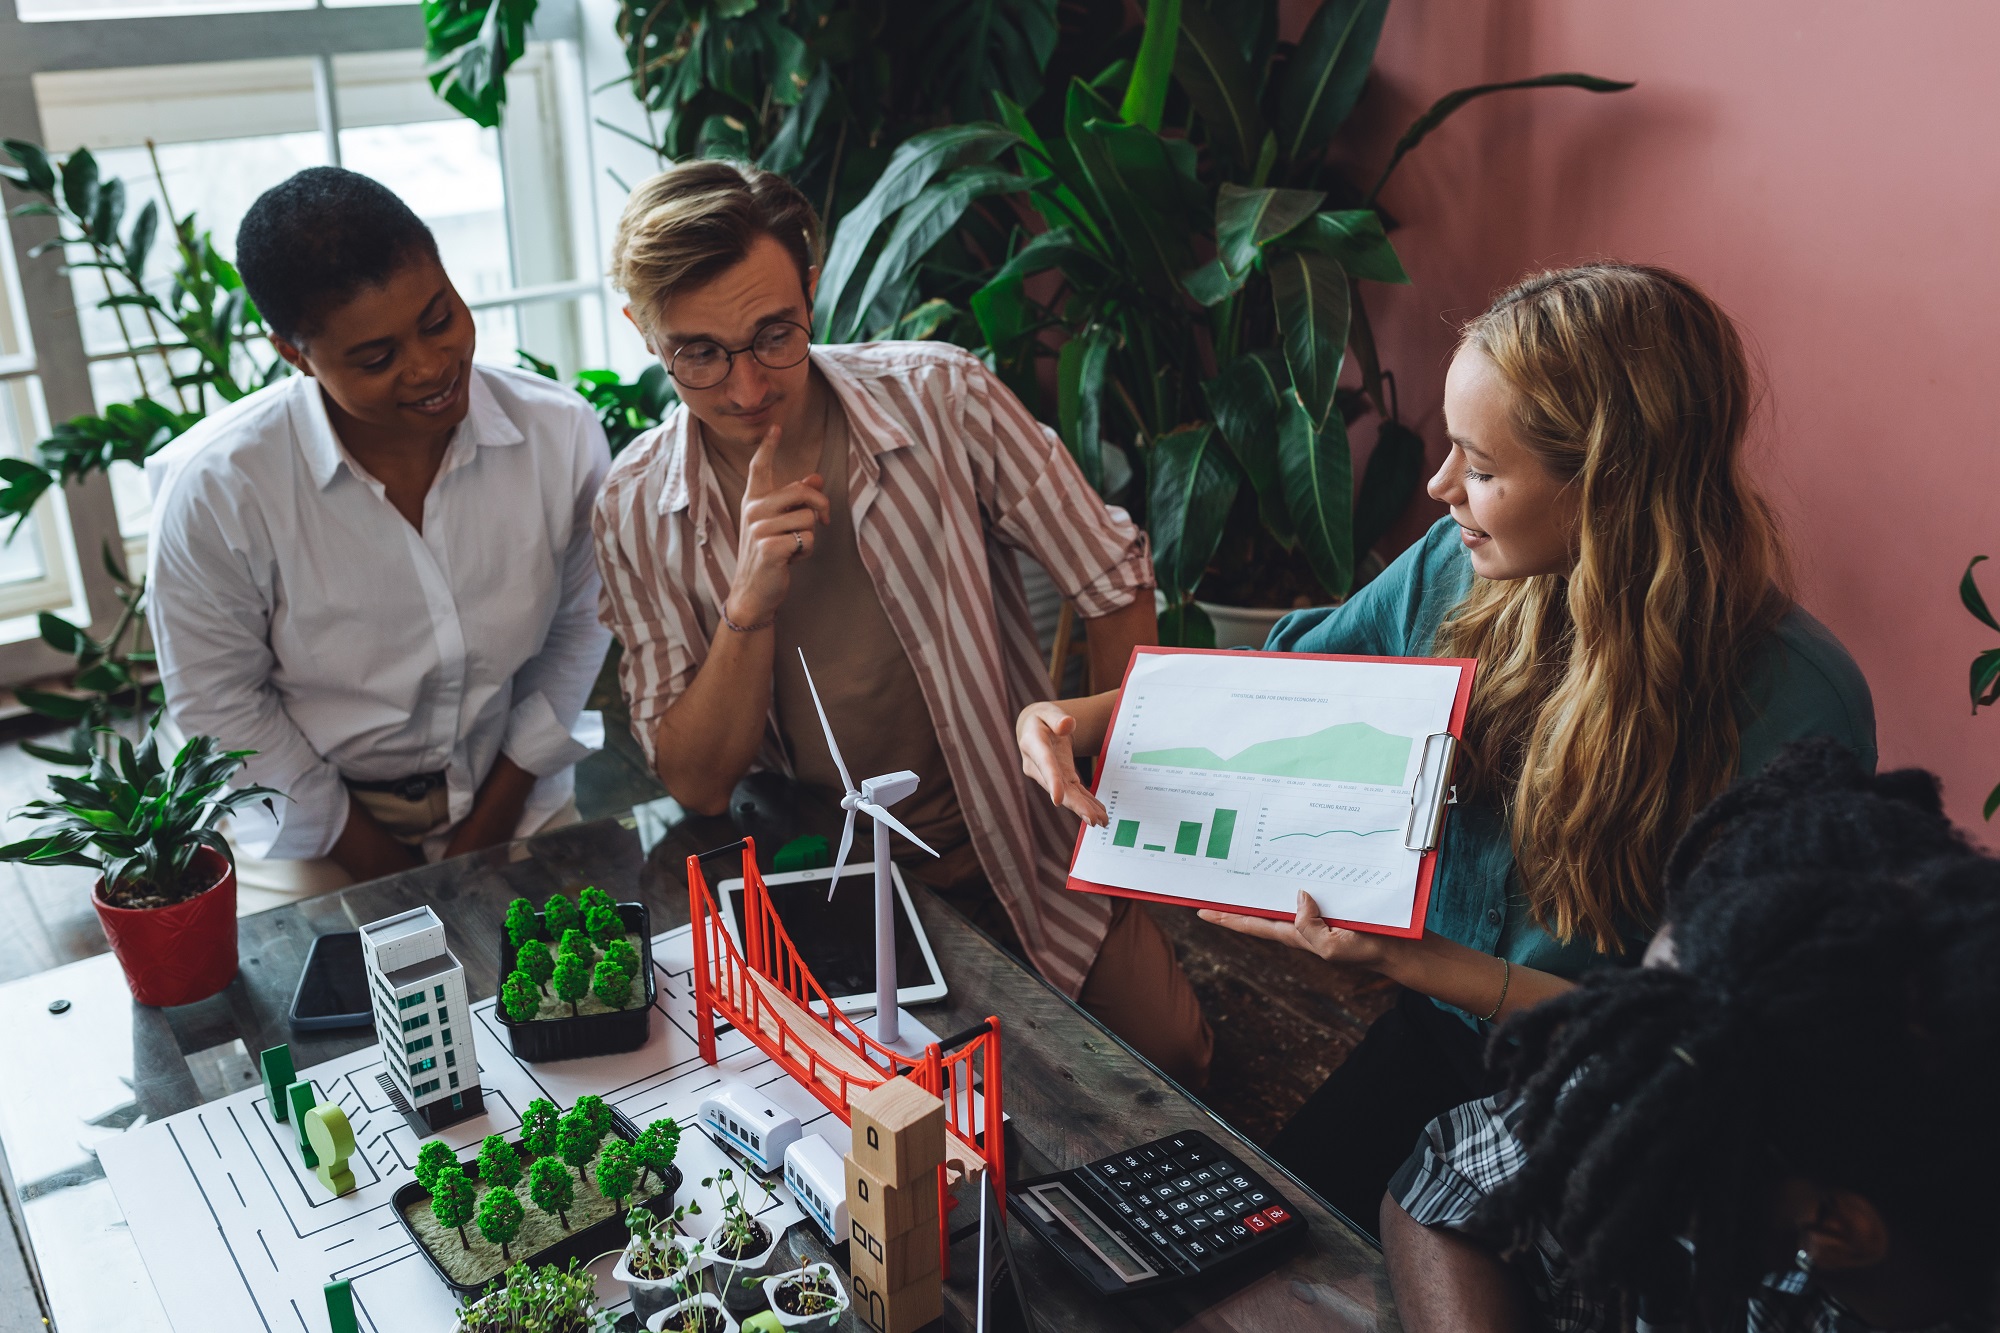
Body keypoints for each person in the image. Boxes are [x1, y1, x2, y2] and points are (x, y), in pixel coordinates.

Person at [1017, 263, 1874, 1224]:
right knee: (1253, 1227)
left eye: (1483, 465)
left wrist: (1414, 962)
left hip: (1638, 1097)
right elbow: (1286, 689)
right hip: (1440, 1036)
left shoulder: (1801, 708)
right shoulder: (1457, 565)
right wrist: (1078, 717)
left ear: (1610, 485)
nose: (1438, 486)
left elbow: (1725, 1039)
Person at [591, 160, 1212, 1086]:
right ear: (644, 330)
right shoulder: (637, 505)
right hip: (830, 879)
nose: (747, 385)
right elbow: (698, 779)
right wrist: (749, 601)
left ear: (811, 287)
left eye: (774, 335)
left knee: (1176, 1061)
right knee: (905, 1129)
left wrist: (1110, 782)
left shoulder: (941, 396)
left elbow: (1111, 573)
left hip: (1022, 830)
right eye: (699, 353)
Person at [1383, 742, 1992, 1332]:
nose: (1617, 1088)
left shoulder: (1745, 1115)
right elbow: (1452, 1184)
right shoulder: (1731, 1106)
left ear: (1837, 1229)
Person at [147, 167, 611, 912]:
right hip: (309, 829)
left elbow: (578, 631)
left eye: (438, 319)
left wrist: (481, 837)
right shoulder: (220, 491)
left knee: (586, 1003)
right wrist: (399, 876)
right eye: (375, 357)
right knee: (330, 1024)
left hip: (512, 790)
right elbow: (221, 704)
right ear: (294, 353)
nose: (430, 367)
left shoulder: (558, 434)